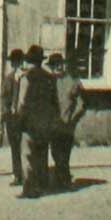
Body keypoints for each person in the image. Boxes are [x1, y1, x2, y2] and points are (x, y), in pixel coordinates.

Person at [15, 45, 58, 198]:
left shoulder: (26, 78)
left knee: (27, 155)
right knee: (41, 154)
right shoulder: (50, 79)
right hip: (44, 122)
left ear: (29, 61)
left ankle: (29, 188)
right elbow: (54, 103)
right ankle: (42, 185)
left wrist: (19, 121)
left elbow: (22, 102)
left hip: (29, 122)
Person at [47, 52, 85, 190]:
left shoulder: (73, 81)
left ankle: (64, 180)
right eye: (53, 66)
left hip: (66, 124)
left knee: (63, 153)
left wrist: (72, 119)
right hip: (55, 124)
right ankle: (61, 179)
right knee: (56, 153)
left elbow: (81, 104)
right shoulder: (49, 81)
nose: (56, 68)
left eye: (57, 65)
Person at [1, 49, 26, 187]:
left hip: (25, 118)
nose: (18, 66)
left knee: (25, 147)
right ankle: (17, 175)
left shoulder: (27, 78)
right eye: (15, 63)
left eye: (20, 63)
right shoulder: (8, 79)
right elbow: (3, 97)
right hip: (12, 119)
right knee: (15, 147)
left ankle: (27, 174)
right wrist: (5, 113)